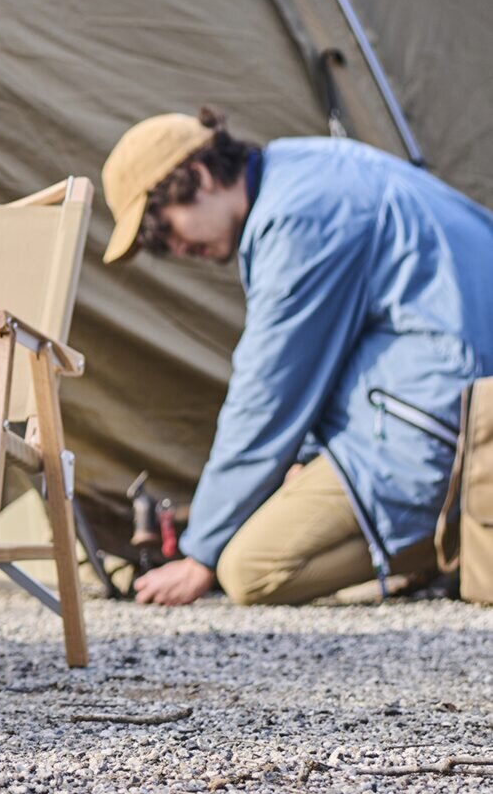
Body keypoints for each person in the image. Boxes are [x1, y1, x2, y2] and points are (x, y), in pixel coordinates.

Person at [101, 109, 493, 607]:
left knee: (249, 570)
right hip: (454, 395)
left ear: (198, 175)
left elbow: (267, 393)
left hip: (445, 422)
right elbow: (337, 346)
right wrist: (310, 456)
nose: (175, 249)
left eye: (163, 229)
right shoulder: (306, 168)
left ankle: (451, 543)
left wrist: (200, 553)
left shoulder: (298, 217)